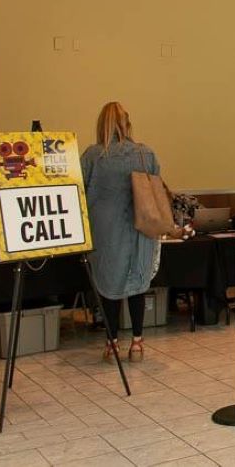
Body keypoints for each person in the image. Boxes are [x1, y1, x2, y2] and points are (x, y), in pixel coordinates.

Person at [82, 102, 166, 362]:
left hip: (105, 233)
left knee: (108, 286)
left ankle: (112, 343)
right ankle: (138, 342)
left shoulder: (93, 156)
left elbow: (80, 191)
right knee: (138, 285)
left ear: (101, 125)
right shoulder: (145, 154)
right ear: (127, 124)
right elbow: (158, 187)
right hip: (141, 228)